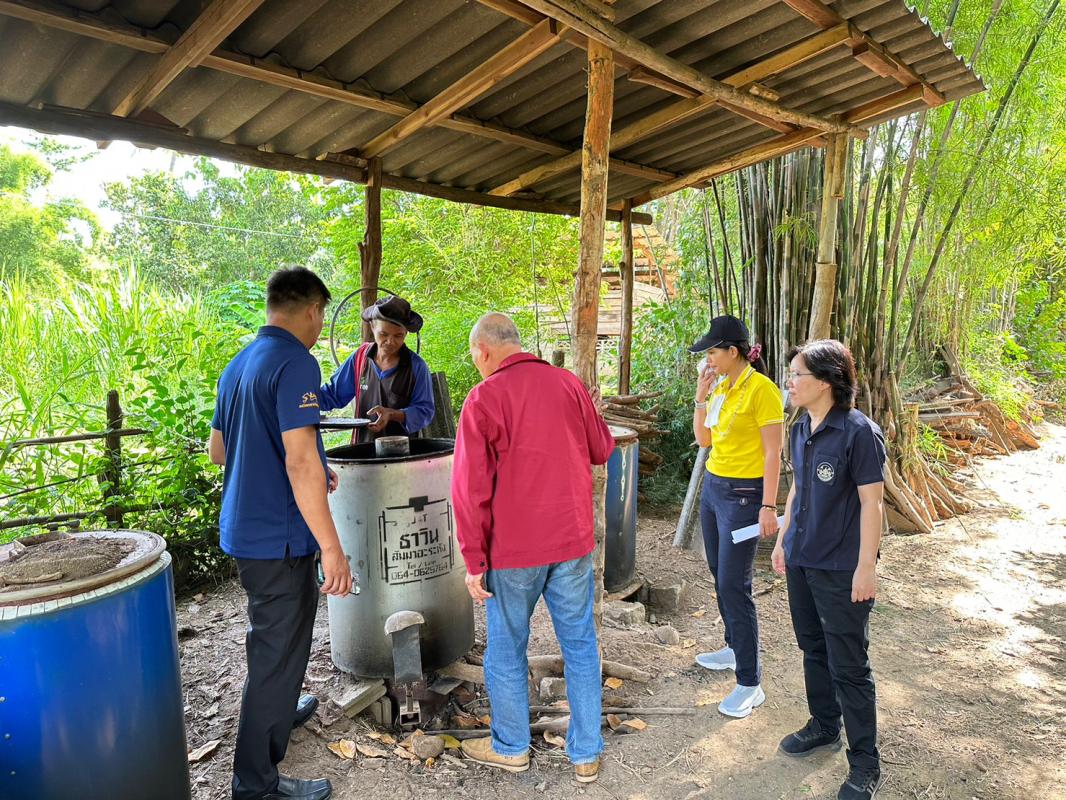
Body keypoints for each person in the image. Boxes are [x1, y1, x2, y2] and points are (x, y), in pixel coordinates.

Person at [451, 313, 614, 783]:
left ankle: (511, 747)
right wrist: (592, 409)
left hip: (513, 551)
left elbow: (469, 489)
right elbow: (601, 449)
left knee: (506, 649)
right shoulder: (567, 384)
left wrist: (473, 559)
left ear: (483, 351)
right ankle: (585, 754)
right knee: (581, 645)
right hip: (571, 543)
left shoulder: (483, 398)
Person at [209, 267, 352, 800]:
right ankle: (255, 785)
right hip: (280, 538)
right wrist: (333, 549)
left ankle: (279, 706)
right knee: (279, 648)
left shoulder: (238, 364)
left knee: (273, 643)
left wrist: (312, 460)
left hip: (245, 530)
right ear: (314, 311)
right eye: (321, 316)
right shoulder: (297, 362)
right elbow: (297, 464)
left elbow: (221, 451)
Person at [772, 339, 887, 800]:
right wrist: (783, 541)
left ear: (825, 382)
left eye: (797, 375)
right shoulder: (801, 427)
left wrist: (866, 568)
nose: (790, 382)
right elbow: (798, 488)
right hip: (802, 559)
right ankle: (823, 724)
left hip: (842, 568)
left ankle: (865, 765)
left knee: (849, 665)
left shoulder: (859, 433)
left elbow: (872, 503)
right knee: (812, 647)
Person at [691, 314, 784, 718]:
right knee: (718, 572)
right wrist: (700, 395)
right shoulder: (721, 387)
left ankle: (750, 683)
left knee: (735, 584)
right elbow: (704, 438)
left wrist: (768, 505)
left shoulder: (762, 390)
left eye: (713, 351)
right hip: (714, 488)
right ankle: (733, 646)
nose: (708, 358)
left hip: (745, 496)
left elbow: (772, 453)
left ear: (733, 351)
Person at [318, 295, 434, 442]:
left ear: (406, 333)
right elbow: (333, 395)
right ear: (372, 327)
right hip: (361, 452)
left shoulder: (417, 367)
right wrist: (303, 400)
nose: (390, 342)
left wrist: (392, 414)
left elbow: (424, 412)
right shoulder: (360, 358)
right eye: (383, 334)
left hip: (402, 456)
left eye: (398, 335)